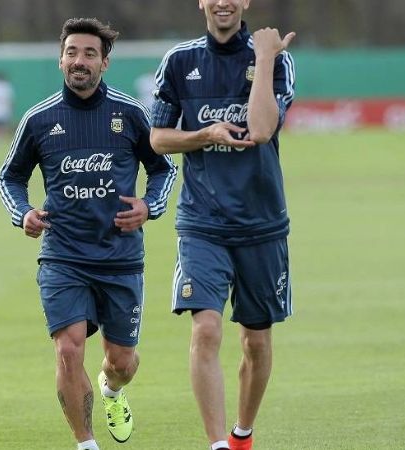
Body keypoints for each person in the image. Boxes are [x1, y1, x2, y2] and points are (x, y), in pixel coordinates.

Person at [0, 18, 177, 450]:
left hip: (120, 258)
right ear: (61, 59)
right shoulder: (38, 119)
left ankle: (112, 391)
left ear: (105, 63)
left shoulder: (131, 114)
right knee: (69, 349)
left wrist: (149, 206)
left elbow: (163, 168)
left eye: (90, 54)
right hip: (63, 257)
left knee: (122, 362)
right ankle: (86, 443)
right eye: (72, 52)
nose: (80, 61)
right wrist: (23, 214)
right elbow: (9, 177)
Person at [149, 1, 296, 450]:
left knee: (256, 341)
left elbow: (261, 128)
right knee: (206, 329)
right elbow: (157, 138)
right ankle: (216, 445)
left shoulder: (276, 58)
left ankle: (241, 436)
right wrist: (202, 135)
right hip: (202, 222)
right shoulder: (179, 60)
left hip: (261, 223)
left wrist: (265, 57)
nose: (223, 1)